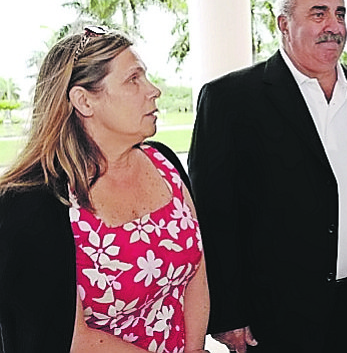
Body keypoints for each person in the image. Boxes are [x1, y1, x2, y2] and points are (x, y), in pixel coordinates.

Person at [188, 0, 347, 353]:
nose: (334, 27)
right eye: (318, 14)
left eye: (340, 15)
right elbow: (215, 213)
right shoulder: (230, 99)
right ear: (283, 24)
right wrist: (227, 312)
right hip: (277, 313)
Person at [0, 27, 209, 353]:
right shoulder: (31, 203)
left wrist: (194, 348)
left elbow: (197, 270)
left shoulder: (164, 162)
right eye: (133, 80)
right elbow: (68, 339)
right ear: (84, 101)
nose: (154, 91)